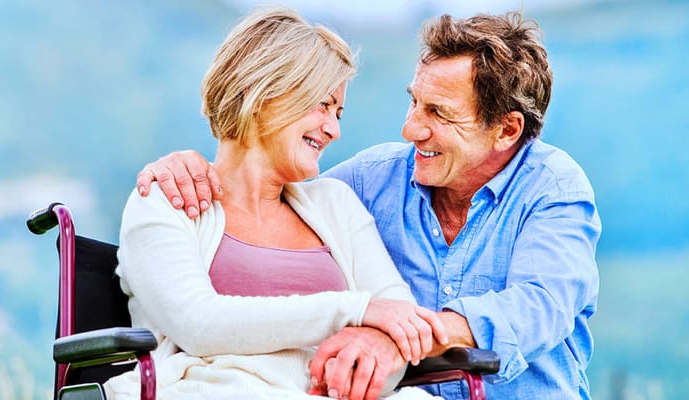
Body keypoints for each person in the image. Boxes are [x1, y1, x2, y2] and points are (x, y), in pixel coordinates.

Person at [136, 11, 602, 400]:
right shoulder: (367, 181)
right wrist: (185, 166)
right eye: (415, 103)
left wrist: (391, 335)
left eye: (438, 113)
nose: (410, 129)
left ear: (506, 130)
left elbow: (538, 306)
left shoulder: (553, 189)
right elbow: (266, 187)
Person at [105, 6, 453, 400]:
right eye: (323, 105)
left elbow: (399, 319)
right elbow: (197, 324)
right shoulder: (166, 200)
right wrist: (353, 311)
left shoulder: (336, 203)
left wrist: (369, 363)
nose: (334, 130)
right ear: (264, 93)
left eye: (339, 112)